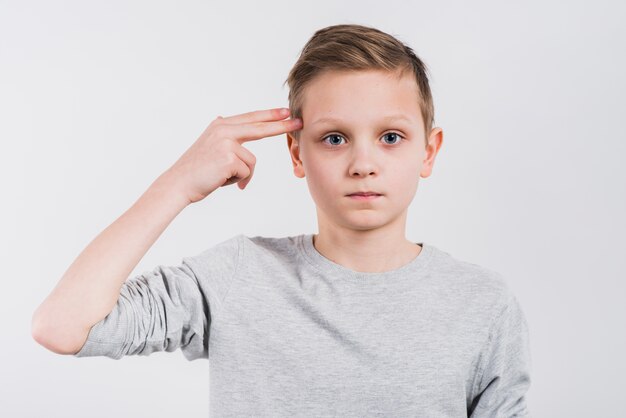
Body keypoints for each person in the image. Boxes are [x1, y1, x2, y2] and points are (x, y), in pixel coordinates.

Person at [31, 23, 532, 417]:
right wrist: (178, 183)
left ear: (430, 150)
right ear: (296, 153)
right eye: (334, 138)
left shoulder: (482, 304)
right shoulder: (239, 277)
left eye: (391, 137)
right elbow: (61, 326)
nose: (363, 163)